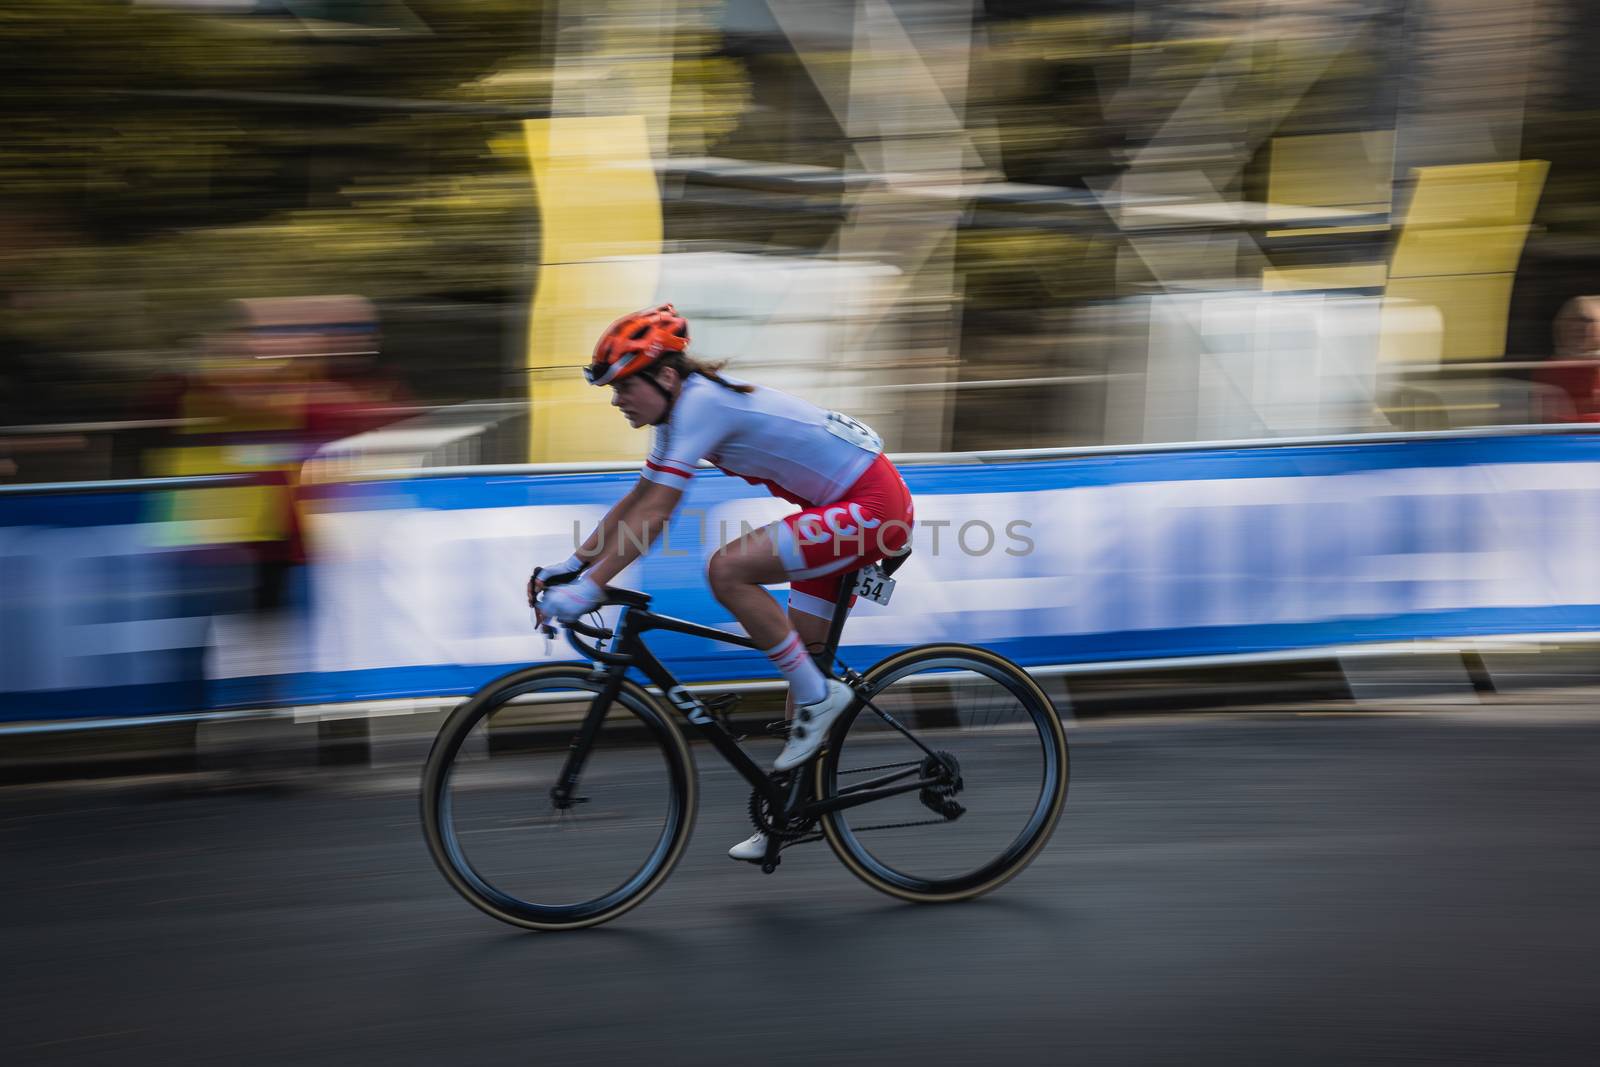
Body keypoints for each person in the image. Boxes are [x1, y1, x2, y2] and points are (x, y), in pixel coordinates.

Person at [529, 303, 915, 862]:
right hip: (846, 504)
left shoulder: (702, 403)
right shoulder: (679, 414)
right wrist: (572, 565)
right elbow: (637, 501)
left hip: (874, 507)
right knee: (803, 669)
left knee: (729, 569)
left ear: (664, 376)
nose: (616, 399)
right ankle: (789, 814)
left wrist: (589, 590)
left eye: (622, 386)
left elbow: (659, 510)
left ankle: (821, 699)